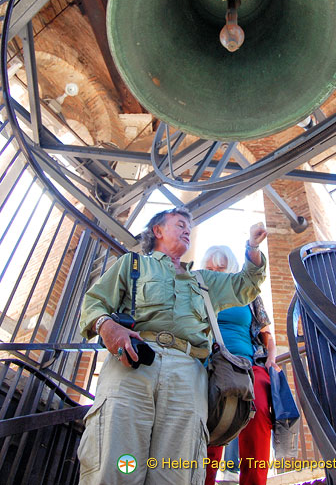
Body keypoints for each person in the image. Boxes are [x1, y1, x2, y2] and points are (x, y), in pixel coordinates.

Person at [77, 207, 268, 485]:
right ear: (158, 231)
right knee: (115, 462)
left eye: (189, 227)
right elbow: (94, 303)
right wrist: (107, 326)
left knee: (176, 470)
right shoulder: (132, 265)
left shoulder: (204, 280)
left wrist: (252, 246)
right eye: (180, 224)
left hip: (188, 372)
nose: (187, 230)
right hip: (133, 364)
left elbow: (247, 284)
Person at [202, 245, 278, 485]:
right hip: (208, 365)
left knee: (259, 413)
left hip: (248, 365)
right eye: (210, 268)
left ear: (232, 268)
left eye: (221, 268)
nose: (215, 272)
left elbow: (266, 334)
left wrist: (272, 359)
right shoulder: (198, 292)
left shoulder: (249, 293)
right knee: (208, 419)